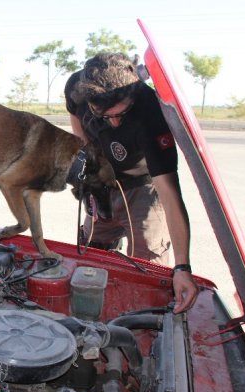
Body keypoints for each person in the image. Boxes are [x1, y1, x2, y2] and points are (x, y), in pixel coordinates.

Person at [64, 52, 198, 313]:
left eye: (121, 114)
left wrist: (183, 268)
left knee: (147, 268)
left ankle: (142, 319)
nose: (114, 122)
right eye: (105, 115)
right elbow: (76, 120)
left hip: (143, 189)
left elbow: (171, 196)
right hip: (103, 184)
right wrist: (89, 158)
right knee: (91, 254)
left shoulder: (152, 115)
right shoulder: (76, 89)